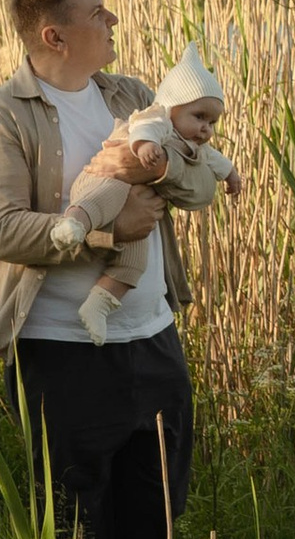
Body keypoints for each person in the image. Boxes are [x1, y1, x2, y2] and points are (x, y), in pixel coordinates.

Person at [0, 0, 202, 539]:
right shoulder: (3, 116)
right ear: (54, 36)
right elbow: (2, 229)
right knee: (77, 536)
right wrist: (101, 234)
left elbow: (182, 183)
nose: (113, 21)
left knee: (156, 525)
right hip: (62, 352)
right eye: (98, 14)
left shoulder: (132, 95)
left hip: (152, 341)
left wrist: (193, 160)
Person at [48, 44, 239, 346]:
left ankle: (99, 303)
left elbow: (209, 172)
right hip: (103, 182)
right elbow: (144, 131)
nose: (205, 129)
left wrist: (231, 175)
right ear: (173, 106)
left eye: (212, 122)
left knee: (134, 263)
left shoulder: (190, 140)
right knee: (108, 192)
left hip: (151, 323)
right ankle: (75, 222)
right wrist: (146, 149)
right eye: (199, 116)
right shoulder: (157, 118)